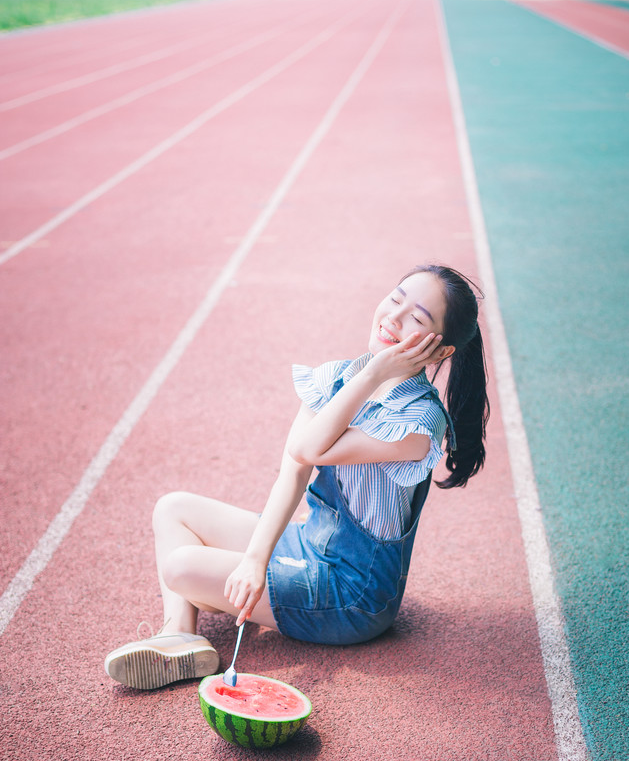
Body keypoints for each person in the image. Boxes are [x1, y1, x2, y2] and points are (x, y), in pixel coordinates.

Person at [105, 265, 489, 689]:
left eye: (416, 319)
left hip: (354, 593)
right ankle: (179, 635)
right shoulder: (334, 377)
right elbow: (292, 473)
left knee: (180, 568)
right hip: (312, 541)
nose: (393, 318)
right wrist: (254, 560)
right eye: (395, 299)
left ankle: (188, 623)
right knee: (173, 509)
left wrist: (373, 374)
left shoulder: (418, 422)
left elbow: (308, 448)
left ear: (438, 353)